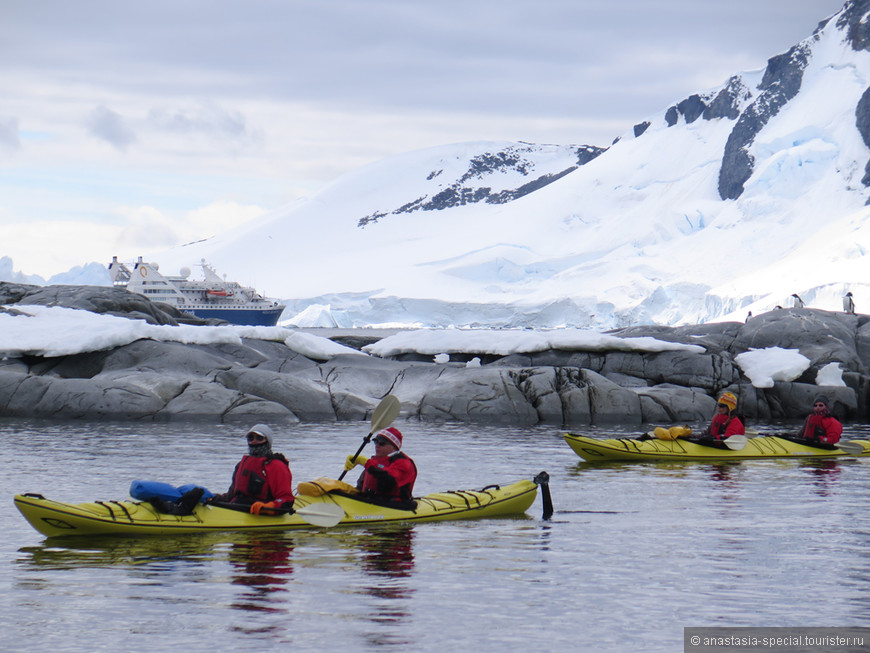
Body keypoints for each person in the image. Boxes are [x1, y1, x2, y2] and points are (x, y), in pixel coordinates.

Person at [211, 424, 295, 515]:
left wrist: (269, 506)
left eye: (259, 438)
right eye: (251, 438)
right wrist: (213, 497)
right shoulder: (241, 465)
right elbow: (231, 496)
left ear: (267, 441)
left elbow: (287, 499)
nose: (254, 441)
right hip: (238, 507)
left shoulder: (276, 466)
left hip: (261, 511)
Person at [344, 427, 417, 504]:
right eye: (376, 442)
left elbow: (389, 477)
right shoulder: (375, 462)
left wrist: (366, 462)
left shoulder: (404, 463)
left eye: (382, 443)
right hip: (371, 503)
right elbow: (360, 487)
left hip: (395, 506)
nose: (377, 446)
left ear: (393, 447)